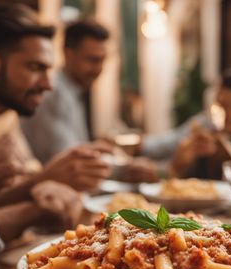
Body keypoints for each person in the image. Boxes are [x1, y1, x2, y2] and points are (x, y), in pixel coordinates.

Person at [0, 2, 112, 210]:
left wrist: (43, 180)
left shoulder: (5, 117)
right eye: (35, 67)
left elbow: (27, 181)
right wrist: (45, 179)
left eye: (48, 70)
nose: (48, 84)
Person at [20, 19, 159, 182]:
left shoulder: (72, 92)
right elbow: (72, 165)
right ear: (68, 53)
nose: (99, 69)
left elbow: (77, 152)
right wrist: (126, 168)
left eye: (102, 60)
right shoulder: (54, 94)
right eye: (92, 60)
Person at [143, 64, 231, 179]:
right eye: (217, 103)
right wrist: (176, 166)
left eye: (226, 106)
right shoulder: (207, 125)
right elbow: (162, 148)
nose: (218, 112)